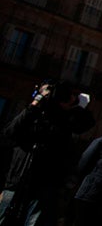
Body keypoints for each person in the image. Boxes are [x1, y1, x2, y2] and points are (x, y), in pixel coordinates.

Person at [0, 81, 95, 226]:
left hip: (46, 182)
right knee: (4, 219)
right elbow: (10, 133)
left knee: (34, 222)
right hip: (18, 179)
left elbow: (85, 124)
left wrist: (78, 106)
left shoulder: (65, 119)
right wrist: (35, 103)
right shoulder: (33, 114)